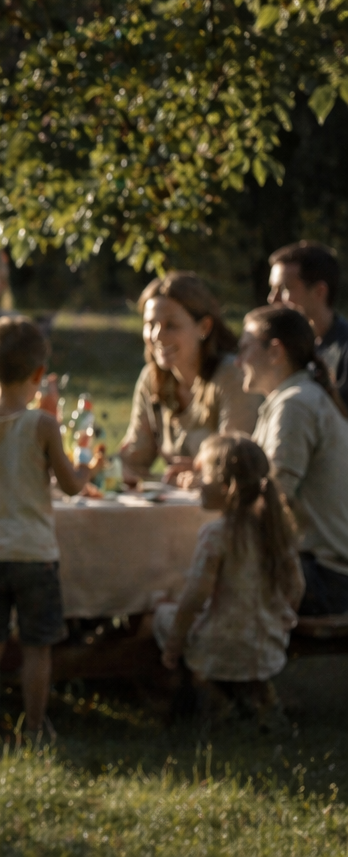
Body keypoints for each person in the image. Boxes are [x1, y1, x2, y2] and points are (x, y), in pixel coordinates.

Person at [0, 318, 99, 742]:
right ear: (39, 375)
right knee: (37, 647)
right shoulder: (42, 425)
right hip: (33, 552)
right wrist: (88, 469)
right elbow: (70, 485)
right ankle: (35, 728)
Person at [154, 434, 303, 728]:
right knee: (240, 628)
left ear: (225, 486)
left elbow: (195, 598)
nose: (199, 482)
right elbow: (296, 585)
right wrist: (283, 616)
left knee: (161, 614)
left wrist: (173, 646)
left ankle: (211, 690)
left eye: (204, 475)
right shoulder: (275, 530)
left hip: (219, 646)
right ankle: (257, 696)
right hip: (267, 644)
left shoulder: (217, 535)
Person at [237, 304, 348, 616]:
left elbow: (273, 495)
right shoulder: (293, 397)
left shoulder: (296, 403)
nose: (238, 362)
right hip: (318, 569)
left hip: (325, 578)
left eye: (245, 349)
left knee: (201, 565)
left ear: (275, 351)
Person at [119, 272, 259, 486]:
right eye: (150, 324)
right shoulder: (152, 379)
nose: (157, 335)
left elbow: (235, 464)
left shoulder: (233, 376)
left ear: (204, 327)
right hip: (178, 509)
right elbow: (133, 459)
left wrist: (202, 473)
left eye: (170, 325)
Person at [267, 241, 348, 406]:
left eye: (284, 289)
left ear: (319, 291)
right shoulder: (281, 348)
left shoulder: (344, 351)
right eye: (272, 289)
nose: (272, 299)